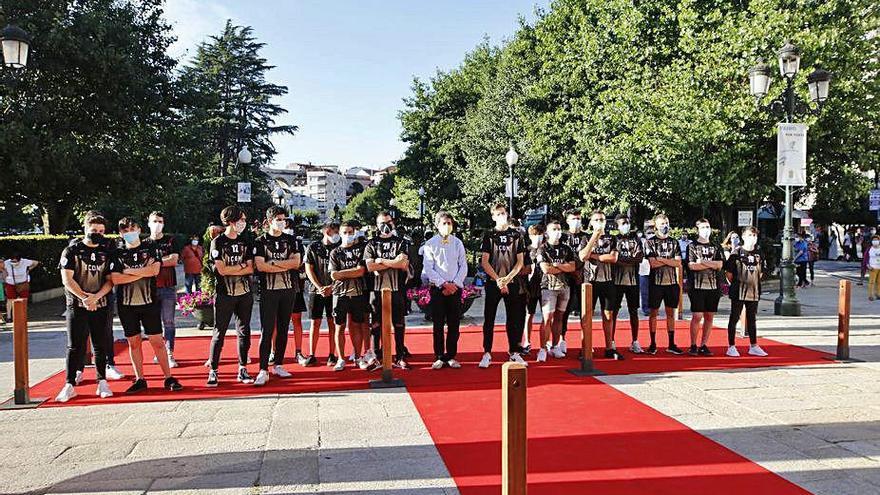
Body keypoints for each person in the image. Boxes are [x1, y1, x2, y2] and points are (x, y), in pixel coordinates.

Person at [110, 217, 182, 393]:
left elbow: (154, 271)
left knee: (157, 341)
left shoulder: (150, 247)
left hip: (149, 301)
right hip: (126, 304)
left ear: (139, 229)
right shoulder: (117, 251)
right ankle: (140, 378)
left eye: (132, 228)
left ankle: (168, 377)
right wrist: (141, 273)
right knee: (134, 343)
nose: (129, 232)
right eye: (125, 230)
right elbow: (115, 278)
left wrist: (127, 271)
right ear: (120, 233)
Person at [54, 214, 116, 402]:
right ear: (85, 229)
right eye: (94, 230)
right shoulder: (71, 250)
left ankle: (102, 381)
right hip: (76, 304)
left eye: (101, 231)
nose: (98, 234)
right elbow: (67, 279)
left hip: (101, 303)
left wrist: (96, 297)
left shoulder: (107, 251)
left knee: (100, 343)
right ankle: (69, 383)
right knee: (74, 345)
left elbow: (110, 280)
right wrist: (84, 298)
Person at [251, 206, 301, 386]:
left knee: (283, 328)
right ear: (269, 221)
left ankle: (278, 364)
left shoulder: (291, 240)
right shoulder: (260, 241)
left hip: (288, 289)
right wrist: (283, 264)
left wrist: (274, 263)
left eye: (283, 219)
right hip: (268, 291)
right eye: (278, 219)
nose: (282, 222)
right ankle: (263, 369)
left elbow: (297, 263)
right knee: (267, 329)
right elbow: (260, 266)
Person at [206, 206, 255, 386]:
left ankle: (242, 368)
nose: (243, 223)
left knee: (244, 331)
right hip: (224, 293)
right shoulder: (218, 242)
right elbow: (221, 270)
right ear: (232, 221)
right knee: (219, 333)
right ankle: (213, 370)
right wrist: (240, 267)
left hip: (244, 293)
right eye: (241, 220)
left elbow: (251, 267)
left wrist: (237, 268)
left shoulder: (245, 241)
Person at [478, 203, 528, 368]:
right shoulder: (489, 235)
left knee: (513, 318)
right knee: (489, 319)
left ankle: (514, 352)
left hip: (512, 282)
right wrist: (498, 279)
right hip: (493, 283)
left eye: (503, 213)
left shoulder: (517, 235)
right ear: (493, 216)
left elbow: (520, 261)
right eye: (498, 214)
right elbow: (484, 261)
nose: (501, 216)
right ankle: (487, 352)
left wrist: (507, 278)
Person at [421, 211, 468, 369]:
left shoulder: (457, 243)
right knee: (438, 324)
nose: (447, 226)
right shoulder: (430, 244)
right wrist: (443, 284)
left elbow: (463, 265)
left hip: (455, 288)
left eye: (449, 223)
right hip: (438, 289)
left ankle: (451, 355)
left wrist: (454, 283)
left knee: (454, 323)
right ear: (437, 225)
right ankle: (440, 355)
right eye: (444, 223)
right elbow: (429, 268)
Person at [364, 211, 410, 369]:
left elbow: (403, 264)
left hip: (397, 289)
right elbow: (370, 266)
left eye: (388, 222)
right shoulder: (371, 244)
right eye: (382, 223)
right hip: (377, 290)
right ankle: (377, 355)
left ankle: (400, 355)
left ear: (393, 222)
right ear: (377, 226)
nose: (386, 226)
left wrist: (382, 260)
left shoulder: (400, 242)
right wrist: (393, 262)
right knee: (376, 325)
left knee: (399, 324)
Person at [579, 210, 621, 359]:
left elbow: (613, 258)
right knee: (587, 315)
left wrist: (595, 256)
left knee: (608, 314)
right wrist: (594, 237)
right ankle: (586, 347)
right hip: (590, 281)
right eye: (596, 220)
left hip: (608, 280)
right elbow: (583, 256)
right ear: (590, 222)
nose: (599, 222)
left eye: (601, 219)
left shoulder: (612, 238)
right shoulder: (585, 238)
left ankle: (609, 346)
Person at [328, 220, 368, 371]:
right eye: (344, 233)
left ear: (355, 232)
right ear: (339, 234)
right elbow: (333, 275)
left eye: (350, 232)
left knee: (357, 325)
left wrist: (342, 273)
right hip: (340, 294)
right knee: (339, 326)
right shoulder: (335, 252)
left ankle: (358, 357)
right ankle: (341, 358)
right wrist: (350, 272)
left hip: (358, 293)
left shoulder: (360, 250)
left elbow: (361, 271)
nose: (348, 235)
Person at [537, 219, 577, 361]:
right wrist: (562, 266)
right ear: (547, 232)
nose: (557, 232)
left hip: (564, 286)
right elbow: (546, 269)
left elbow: (572, 267)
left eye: (559, 229)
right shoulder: (543, 248)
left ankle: (555, 345)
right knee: (547, 318)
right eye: (554, 229)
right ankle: (542, 348)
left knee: (560, 318)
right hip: (548, 287)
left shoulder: (567, 249)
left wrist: (557, 265)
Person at [725, 226, 768, 357]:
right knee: (734, 318)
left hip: (754, 290)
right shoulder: (736, 254)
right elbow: (729, 274)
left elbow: (761, 272)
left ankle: (753, 345)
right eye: (750, 235)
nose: (752, 238)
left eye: (754, 235)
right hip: (738, 290)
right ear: (743, 236)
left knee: (752, 318)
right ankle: (731, 346)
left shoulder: (759, 253)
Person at [645, 213, 683, 355]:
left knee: (670, 314)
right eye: (661, 223)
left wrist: (661, 259)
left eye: (666, 222)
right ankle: (653, 343)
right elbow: (652, 263)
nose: (665, 225)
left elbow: (678, 263)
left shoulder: (674, 242)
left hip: (672, 283)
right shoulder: (650, 242)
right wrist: (668, 260)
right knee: (653, 313)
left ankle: (671, 343)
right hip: (656, 283)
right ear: (655, 225)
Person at [145, 211, 180, 368]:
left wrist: (155, 264)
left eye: (160, 221)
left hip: (168, 287)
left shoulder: (170, 240)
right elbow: (142, 264)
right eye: (154, 221)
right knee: (153, 324)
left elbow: (173, 260)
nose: (157, 224)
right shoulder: (144, 243)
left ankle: (169, 352)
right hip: (149, 288)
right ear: (148, 223)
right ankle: (158, 352)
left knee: (169, 322)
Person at [304, 221, 340, 366]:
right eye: (335, 231)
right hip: (316, 290)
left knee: (333, 322)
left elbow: (341, 270)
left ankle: (332, 354)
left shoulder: (339, 247)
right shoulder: (314, 247)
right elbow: (308, 269)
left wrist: (331, 286)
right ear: (327, 231)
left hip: (334, 290)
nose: (337, 234)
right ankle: (312, 354)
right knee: (315, 322)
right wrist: (319, 286)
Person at [686, 219, 724, 356]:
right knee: (697, 315)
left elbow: (719, 265)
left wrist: (702, 262)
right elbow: (692, 266)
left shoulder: (716, 246)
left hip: (713, 287)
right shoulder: (692, 246)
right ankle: (693, 344)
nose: (706, 229)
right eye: (703, 227)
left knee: (709, 316)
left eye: (708, 226)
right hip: (697, 286)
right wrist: (710, 264)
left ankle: (704, 344)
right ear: (697, 229)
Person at [612, 214, 644, 354]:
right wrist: (628, 259)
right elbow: (614, 258)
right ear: (617, 225)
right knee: (613, 311)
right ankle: (611, 341)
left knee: (634, 311)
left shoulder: (636, 239)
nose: (626, 225)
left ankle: (635, 341)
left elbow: (639, 257)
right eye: (623, 223)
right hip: (616, 280)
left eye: (628, 222)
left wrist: (625, 259)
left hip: (633, 281)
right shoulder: (614, 240)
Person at [282, 218, 309, 367]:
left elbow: (299, 264)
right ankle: (275, 351)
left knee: (296, 319)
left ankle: (298, 351)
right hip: (276, 286)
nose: (287, 229)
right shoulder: (270, 241)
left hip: (294, 286)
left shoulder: (297, 243)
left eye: (289, 227)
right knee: (276, 322)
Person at [559, 209, 585, 350]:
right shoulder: (562, 237)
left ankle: (586, 341)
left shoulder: (585, 237)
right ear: (568, 221)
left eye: (578, 218)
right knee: (564, 311)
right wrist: (571, 270)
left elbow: (586, 256)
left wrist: (579, 271)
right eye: (574, 218)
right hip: (566, 277)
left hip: (583, 278)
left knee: (585, 311)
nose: (577, 221)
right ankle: (562, 339)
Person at [522, 223, 545, 355]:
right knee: (529, 314)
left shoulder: (545, 249)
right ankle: (527, 340)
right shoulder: (526, 250)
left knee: (546, 315)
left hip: (544, 285)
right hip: (530, 286)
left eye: (540, 234)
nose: (537, 237)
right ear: (530, 236)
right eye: (535, 234)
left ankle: (546, 342)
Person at [3, 253, 39, 322]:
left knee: (24, 300)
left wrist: (28, 270)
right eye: (12, 261)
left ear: (19, 260)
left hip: (23, 283)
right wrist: (5, 274)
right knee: (10, 299)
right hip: (11, 283)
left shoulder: (25, 261)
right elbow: (2, 267)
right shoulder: (7, 263)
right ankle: (9, 317)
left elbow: (36, 262)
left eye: (15, 261)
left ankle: (23, 316)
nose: (13, 263)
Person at [867, 235, 880, 301]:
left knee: (879, 282)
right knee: (872, 282)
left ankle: (878, 294)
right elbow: (866, 258)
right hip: (872, 268)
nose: (875, 241)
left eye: (877, 240)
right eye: (874, 240)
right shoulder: (870, 249)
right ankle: (871, 295)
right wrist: (868, 265)